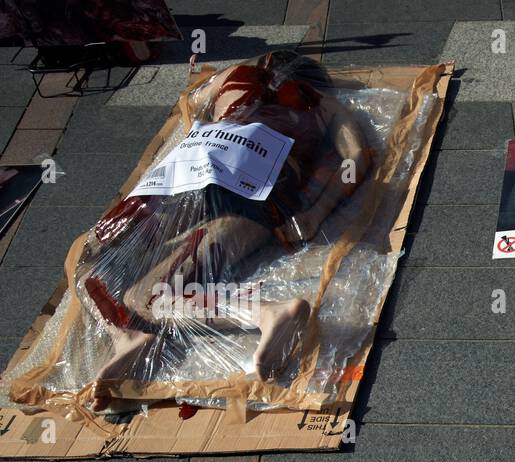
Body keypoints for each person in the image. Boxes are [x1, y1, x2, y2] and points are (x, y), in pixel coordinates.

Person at [78, 51, 372, 409]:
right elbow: (356, 157)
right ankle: (135, 333)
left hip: (191, 179)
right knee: (138, 289)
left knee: (99, 264)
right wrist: (316, 212)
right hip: (253, 190)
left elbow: (191, 111)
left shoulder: (229, 77)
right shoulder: (324, 105)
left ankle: (260, 313)